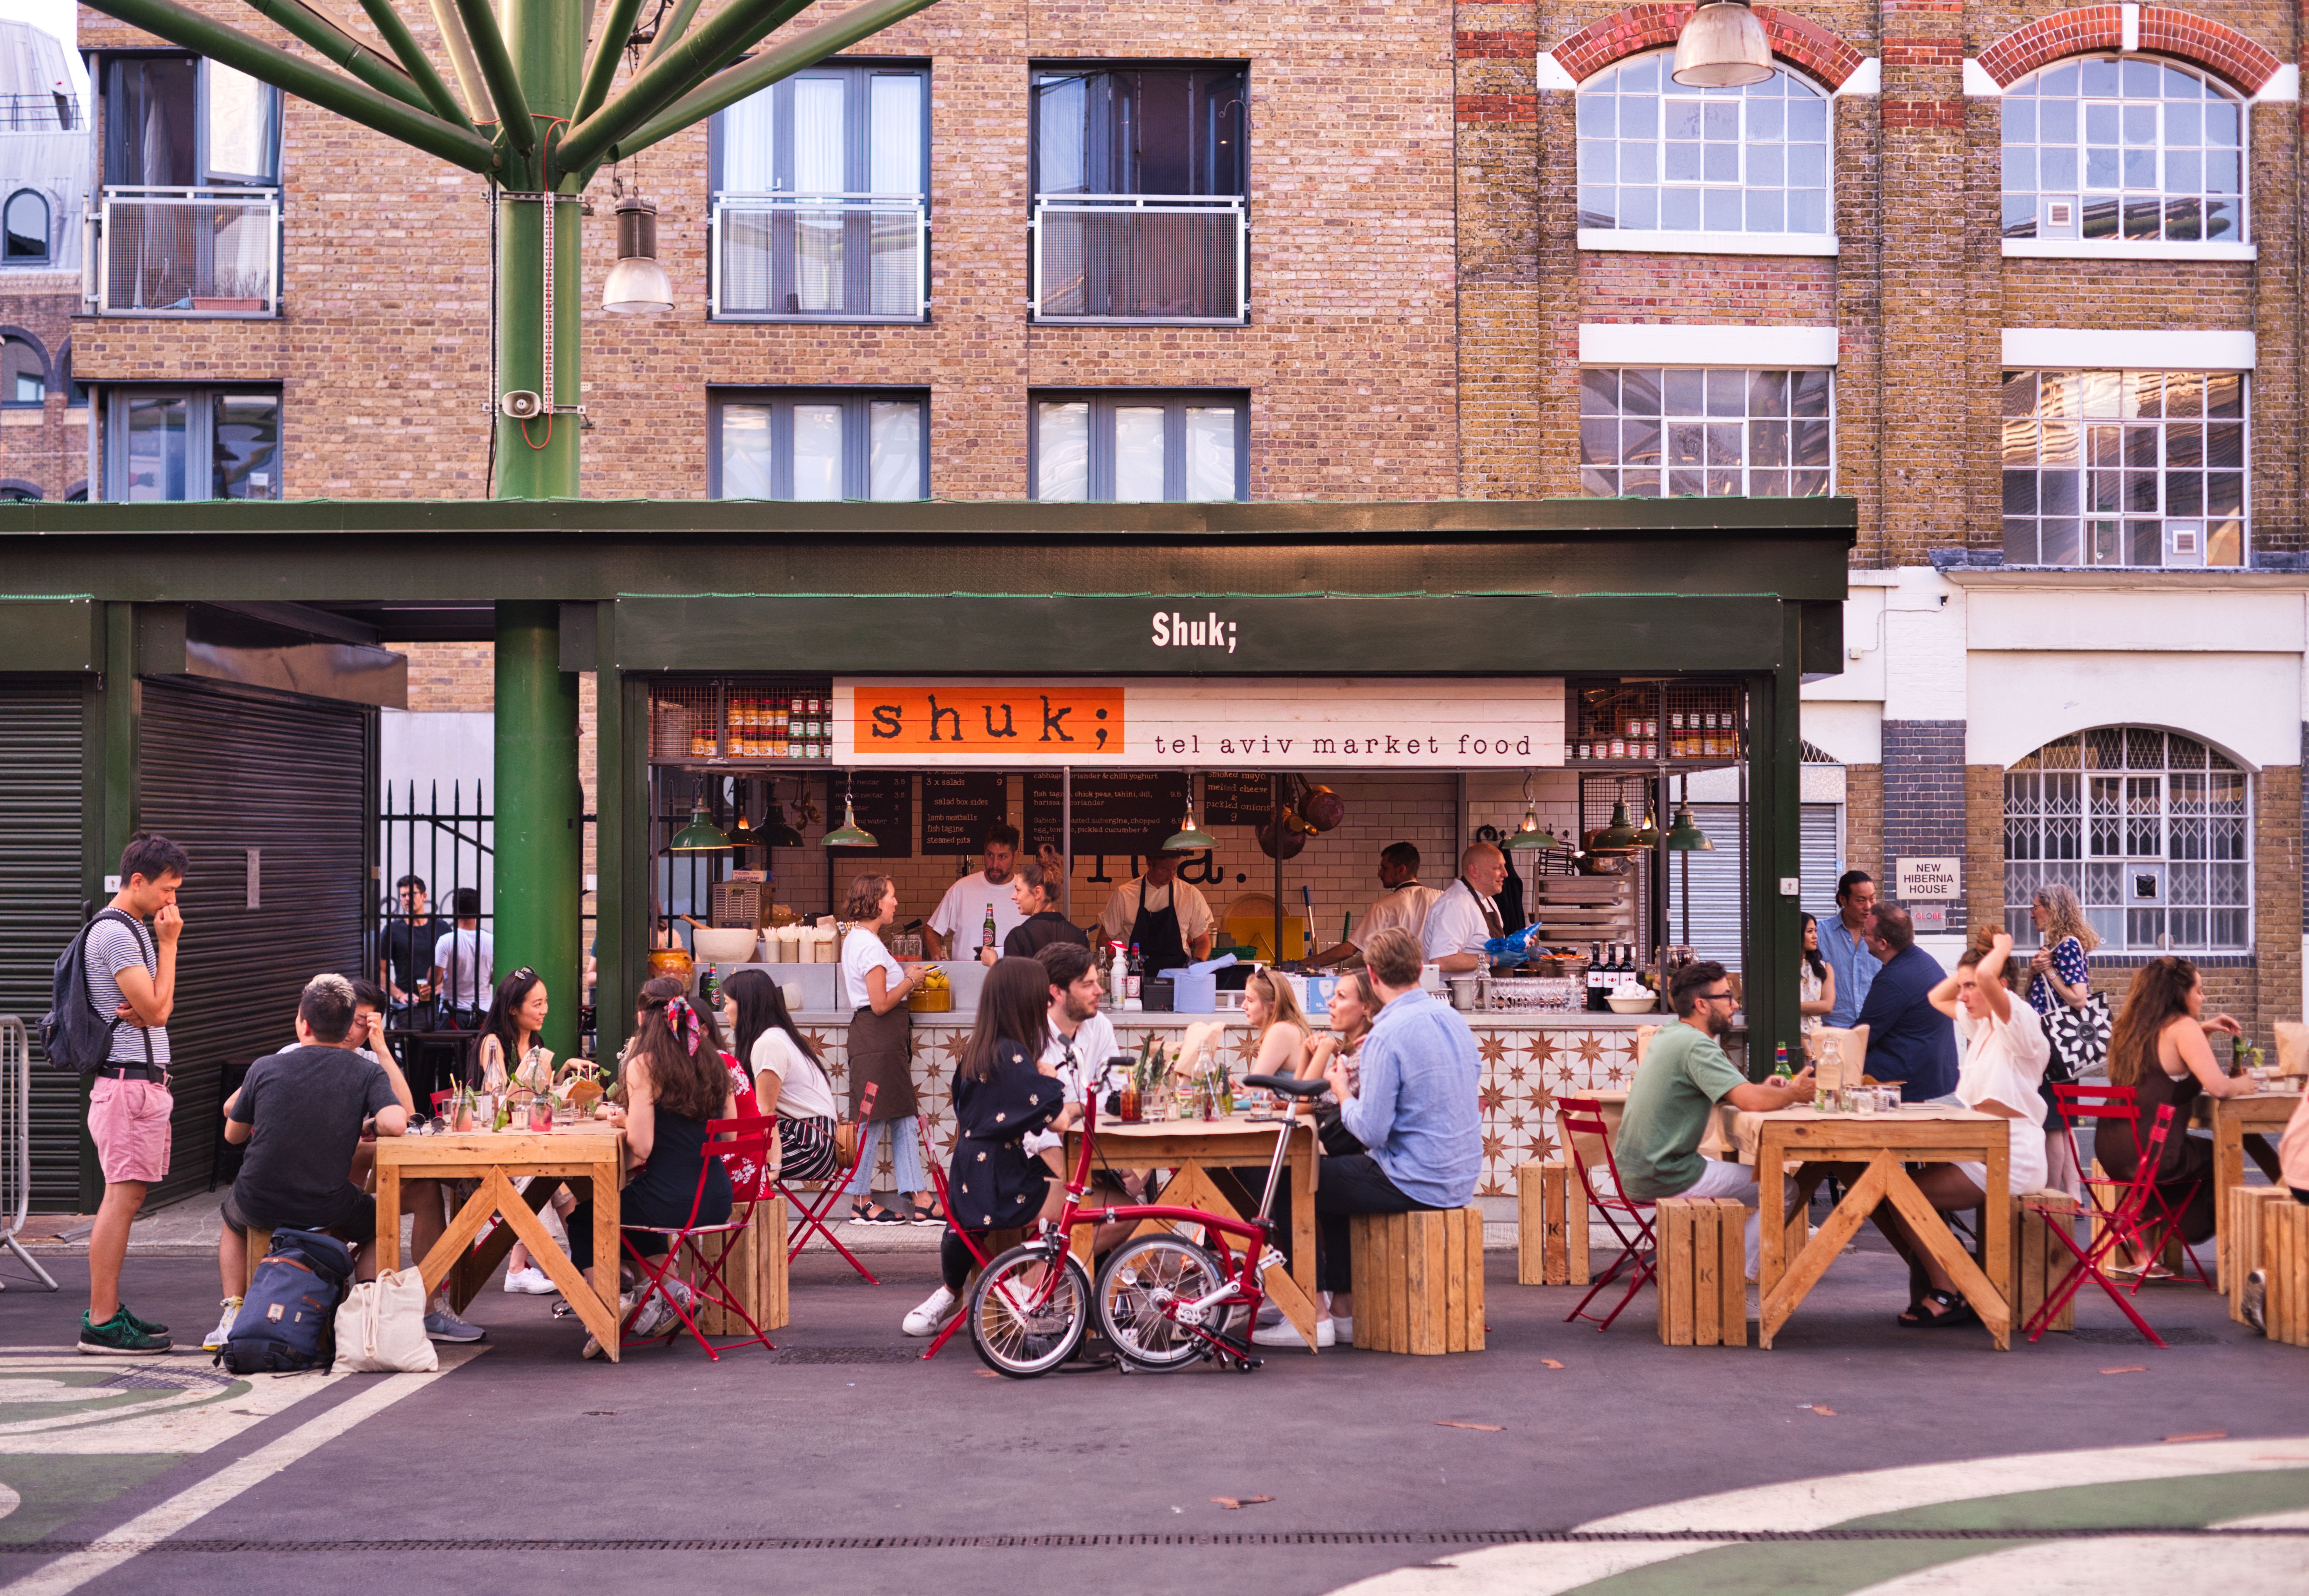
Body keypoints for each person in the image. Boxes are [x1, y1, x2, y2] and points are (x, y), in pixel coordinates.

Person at [1254, 929, 1482, 1351]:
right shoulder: (1452, 1019)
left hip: (1414, 1178)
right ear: (1419, 969)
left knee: (1294, 1180)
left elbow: (1371, 1130)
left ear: (1373, 977)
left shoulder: (1386, 1035)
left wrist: (1341, 1089)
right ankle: (1343, 1308)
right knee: (1336, 1174)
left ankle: (1312, 1313)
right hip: (1459, 1174)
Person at [1860, 931, 2052, 1328]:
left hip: (2012, 1156)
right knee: (1886, 1190)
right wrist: (1973, 962)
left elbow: (1985, 982)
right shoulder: (1982, 1026)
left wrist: (2001, 948)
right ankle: (1957, 1278)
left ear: (1999, 984)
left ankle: (1948, 1289)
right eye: (1963, 986)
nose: (1962, 995)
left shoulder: (2020, 1020)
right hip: (1982, 1150)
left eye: (1971, 986)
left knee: (1896, 1195)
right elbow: (1936, 998)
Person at [209, 974, 411, 1351]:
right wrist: (368, 1122)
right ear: (351, 1024)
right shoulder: (365, 1070)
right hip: (325, 1203)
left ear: (303, 1023)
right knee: (378, 1222)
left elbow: (233, 1135)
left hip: (259, 1200)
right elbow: (397, 1122)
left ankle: (233, 1312)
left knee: (232, 1216)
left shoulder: (266, 1065)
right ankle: (363, 1319)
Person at [901, 956, 1078, 1339]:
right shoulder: (1012, 1056)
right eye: (1041, 996)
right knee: (1081, 1198)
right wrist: (1054, 1081)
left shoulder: (982, 1049)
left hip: (972, 1177)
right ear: (1024, 1001)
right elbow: (1059, 1119)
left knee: (1066, 1186)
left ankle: (956, 1290)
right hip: (999, 1184)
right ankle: (1027, 1287)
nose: (1047, 1004)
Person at [1613, 961, 1816, 1283]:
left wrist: (1768, 1090)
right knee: (1785, 1188)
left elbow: (1741, 1093)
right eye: (1728, 996)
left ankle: (1725, 1271)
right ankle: (1734, 1275)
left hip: (1638, 1169)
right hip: (1666, 1174)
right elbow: (1748, 1102)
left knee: (1751, 1176)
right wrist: (1795, 1093)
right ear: (1702, 1004)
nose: (1735, 1004)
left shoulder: (1671, 1034)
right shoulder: (1696, 1045)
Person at [569, 980, 737, 1357]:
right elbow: (727, 1138)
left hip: (670, 1201)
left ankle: (606, 1312)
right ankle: (670, 1292)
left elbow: (642, 1146)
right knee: (632, 1205)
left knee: (587, 1217)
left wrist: (624, 1121)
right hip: (715, 1198)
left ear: (644, 1017)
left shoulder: (644, 1065)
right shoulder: (713, 1059)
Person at [79, 834, 189, 1356]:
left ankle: (108, 1310)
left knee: (128, 1197)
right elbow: (160, 1011)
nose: (173, 902)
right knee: (120, 1199)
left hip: (138, 1082)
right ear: (138, 881)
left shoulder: (134, 929)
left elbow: (155, 1005)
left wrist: (150, 999)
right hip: (126, 1083)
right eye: (167, 890)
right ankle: (101, 1320)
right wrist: (169, 947)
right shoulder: (122, 935)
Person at [2098, 956, 2264, 1262]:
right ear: (2178, 993)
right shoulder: (2182, 1027)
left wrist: (2203, 1030)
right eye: (2198, 990)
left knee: (2173, 1160)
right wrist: (2246, 1084)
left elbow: (2165, 1059)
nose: (2203, 997)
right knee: (2219, 1155)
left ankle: (2143, 1235)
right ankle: (2226, 1254)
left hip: (2114, 1151)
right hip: (2153, 1157)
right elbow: (2219, 1087)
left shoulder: (2129, 1029)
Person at [471, 969, 577, 1300]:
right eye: (537, 1003)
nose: (544, 1010)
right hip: (491, 1145)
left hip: (524, 1142)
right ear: (513, 1008)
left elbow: (539, 1096)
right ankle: (518, 1268)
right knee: (541, 1174)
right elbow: (502, 1099)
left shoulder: (535, 1043)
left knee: (561, 1175)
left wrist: (562, 1074)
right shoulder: (494, 1043)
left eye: (546, 1002)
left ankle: (580, 1257)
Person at [840, 873, 936, 1225]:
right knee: (873, 1122)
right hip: (877, 1039)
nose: (896, 902)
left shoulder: (860, 939)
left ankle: (921, 1198)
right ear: (876, 901)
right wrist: (911, 978)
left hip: (881, 1042)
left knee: (902, 1117)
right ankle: (861, 1201)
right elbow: (879, 1003)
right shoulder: (866, 944)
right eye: (891, 896)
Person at [728, 969, 843, 1184]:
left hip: (810, 1146)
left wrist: (775, 1166)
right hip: (817, 1138)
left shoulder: (768, 1043)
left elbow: (766, 1112)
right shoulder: (779, 1035)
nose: (724, 1010)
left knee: (721, 1162)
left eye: (727, 1002)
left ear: (745, 1005)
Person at [1853, 903, 1959, 1103]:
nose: (1863, 937)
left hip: (1908, 1081)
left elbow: (1863, 1036)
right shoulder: (1925, 962)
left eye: (1865, 933)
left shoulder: (1893, 980)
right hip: (1935, 1074)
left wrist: (1820, 1060)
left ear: (1883, 944)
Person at [1308, 844, 1442, 969]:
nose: (1380, 873)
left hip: (1400, 985)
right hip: (1438, 987)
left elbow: (1349, 950)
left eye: (1385, 868)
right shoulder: (1440, 898)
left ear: (1401, 870)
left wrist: (1303, 963)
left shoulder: (1385, 906)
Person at [1299, 966, 1382, 1157]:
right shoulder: (1354, 1051)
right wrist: (1306, 1051)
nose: (1330, 1002)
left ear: (1367, 1007)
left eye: (1341, 997)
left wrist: (1325, 1048)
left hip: (1362, 1163)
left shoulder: (1364, 1055)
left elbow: (1299, 1104)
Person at [1095, 849, 1214, 974]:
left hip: (1178, 975)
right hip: (1135, 976)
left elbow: (1203, 941)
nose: (1171, 875)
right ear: (1149, 864)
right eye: (1164, 870)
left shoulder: (1190, 894)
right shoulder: (1125, 894)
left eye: (1174, 869)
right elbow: (1103, 941)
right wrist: (1124, 958)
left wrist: (1199, 961)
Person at [926, 823, 1025, 960]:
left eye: (1002, 857)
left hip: (1012, 979)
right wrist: (937, 952)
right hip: (966, 979)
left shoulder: (1026, 893)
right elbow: (931, 930)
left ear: (1016, 856)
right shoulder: (962, 889)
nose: (995, 864)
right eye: (990, 855)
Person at [1421, 842, 1508, 975]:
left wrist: (1518, 947)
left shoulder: (1488, 900)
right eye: (1497, 868)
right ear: (1474, 871)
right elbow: (1442, 960)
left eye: (1504, 866)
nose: (1505, 874)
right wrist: (1494, 960)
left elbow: (1483, 946)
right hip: (1460, 993)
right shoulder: (1455, 904)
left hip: (1484, 990)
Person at [994, 853, 1088, 963]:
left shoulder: (1019, 937)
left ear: (1038, 893)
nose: (1013, 897)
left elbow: (1011, 979)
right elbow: (1086, 979)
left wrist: (993, 963)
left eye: (1018, 890)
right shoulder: (1079, 937)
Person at [2026, 883, 2097, 1018]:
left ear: (2052, 909)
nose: (2032, 915)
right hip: (2047, 1030)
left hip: (2059, 1032)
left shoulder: (2068, 946)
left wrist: (2048, 969)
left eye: (2035, 908)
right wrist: (2033, 972)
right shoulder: (2053, 947)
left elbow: (2079, 1000)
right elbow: (2029, 994)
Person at [1819, 870, 1880, 1028]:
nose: (1868, 907)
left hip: (1876, 1030)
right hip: (1836, 1031)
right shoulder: (1820, 934)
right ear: (1843, 900)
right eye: (1861, 901)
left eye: (1872, 899)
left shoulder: (1884, 934)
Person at [378, 874, 442, 1021]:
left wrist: (442, 987)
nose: (407, 899)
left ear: (424, 896)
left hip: (440, 1005)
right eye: (403, 896)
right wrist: (400, 995)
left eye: (412, 894)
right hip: (407, 1007)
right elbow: (381, 971)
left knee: (442, 1044)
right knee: (410, 1044)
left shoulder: (441, 928)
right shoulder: (392, 931)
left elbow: (455, 967)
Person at [429, 888, 492, 1027]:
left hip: (452, 1014)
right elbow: (497, 976)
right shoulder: (491, 940)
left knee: (448, 1049)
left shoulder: (447, 941)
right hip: (484, 1013)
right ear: (478, 911)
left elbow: (434, 980)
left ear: (454, 911)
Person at [1240, 966, 1312, 1081]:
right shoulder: (1289, 1027)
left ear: (1272, 1007)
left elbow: (1257, 1090)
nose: (1243, 1006)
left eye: (1250, 1000)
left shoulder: (1281, 1031)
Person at [1797, 913, 1835, 1039]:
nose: (1815, 936)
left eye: (1816, 931)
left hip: (1817, 1037)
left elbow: (1827, 1006)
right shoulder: (1783, 968)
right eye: (1810, 931)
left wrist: (1792, 1007)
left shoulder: (1824, 968)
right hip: (1791, 1037)